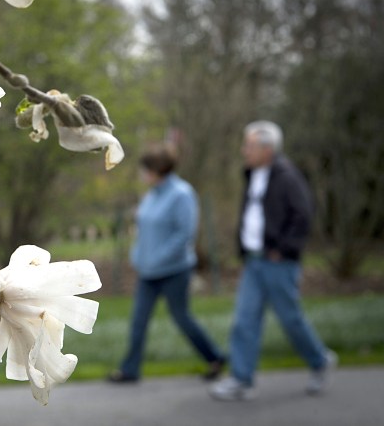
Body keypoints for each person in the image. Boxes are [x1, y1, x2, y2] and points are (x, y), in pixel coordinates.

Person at [209, 120, 337, 401]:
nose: (244, 151)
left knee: (291, 320)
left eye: (250, 146)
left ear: (268, 149)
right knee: (244, 320)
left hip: (278, 262)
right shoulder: (251, 174)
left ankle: (319, 361)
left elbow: (303, 216)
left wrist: (283, 249)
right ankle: (241, 379)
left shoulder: (287, 176)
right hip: (254, 262)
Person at [109, 143, 226, 384]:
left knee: (181, 317)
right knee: (138, 321)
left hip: (175, 271)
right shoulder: (151, 194)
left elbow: (185, 235)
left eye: (145, 170)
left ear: (157, 170)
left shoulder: (182, 194)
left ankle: (214, 357)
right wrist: (138, 255)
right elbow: (143, 230)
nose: (142, 175)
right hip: (147, 273)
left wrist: (158, 258)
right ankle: (130, 370)